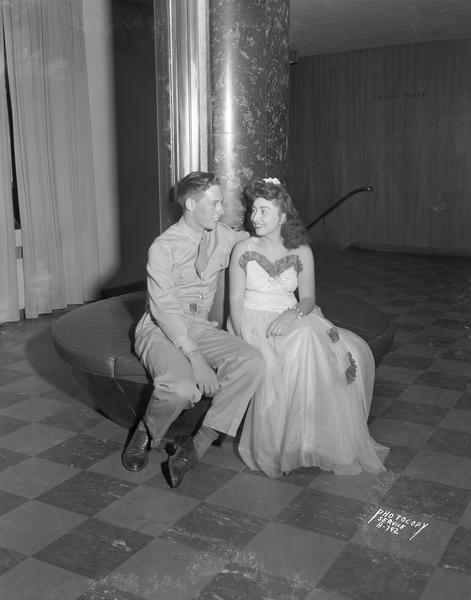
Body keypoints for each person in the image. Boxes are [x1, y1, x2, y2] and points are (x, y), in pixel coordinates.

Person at [228, 177, 389, 478]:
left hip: (290, 315)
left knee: (315, 342)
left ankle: (306, 441)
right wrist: (242, 340)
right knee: (284, 355)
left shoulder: (301, 251)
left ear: (283, 216)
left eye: (264, 211)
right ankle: (275, 448)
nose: (255, 217)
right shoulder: (242, 249)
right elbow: (235, 300)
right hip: (251, 319)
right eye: (253, 210)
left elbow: (309, 298)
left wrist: (292, 315)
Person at [122, 171, 264, 488]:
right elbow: (164, 309)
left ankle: (195, 445)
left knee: (252, 361)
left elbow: (258, 241)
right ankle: (147, 431)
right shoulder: (163, 248)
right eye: (214, 204)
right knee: (181, 387)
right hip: (160, 326)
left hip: (200, 325)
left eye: (221, 203)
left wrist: (280, 220)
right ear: (190, 204)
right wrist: (196, 358)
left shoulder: (223, 235)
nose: (220, 210)